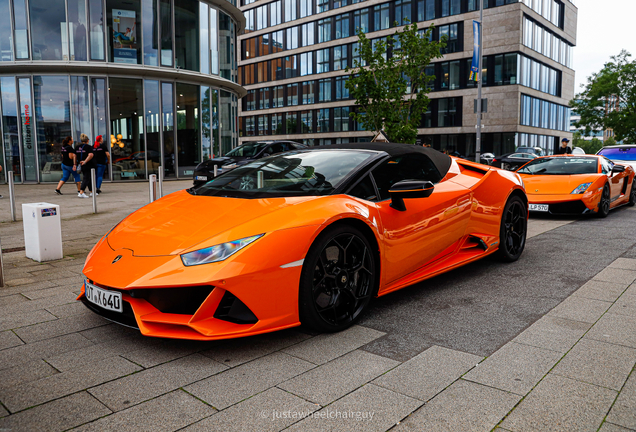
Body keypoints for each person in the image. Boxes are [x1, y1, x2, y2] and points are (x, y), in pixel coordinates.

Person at [75, 133, 95, 198]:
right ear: (87, 140)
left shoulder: (77, 147)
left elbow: (75, 156)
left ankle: (92, 191)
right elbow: (91, 155)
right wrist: (85, 161)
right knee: (86, 178)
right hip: (88, 164)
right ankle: (81, 192)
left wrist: (75, 164)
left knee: (88, 177)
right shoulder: (89, 147)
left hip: (80, 164)